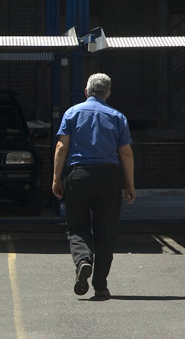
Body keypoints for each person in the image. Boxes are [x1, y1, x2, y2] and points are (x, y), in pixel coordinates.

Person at [52, 73, 136, 298]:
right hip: (109, 176)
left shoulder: (72, 113)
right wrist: (129, 184)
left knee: (77, 225)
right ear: (108, 93)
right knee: (106, 230)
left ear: (86, 91)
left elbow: (62, 147)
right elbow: (125, 152)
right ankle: (100, 284)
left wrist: (56, 178)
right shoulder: (117, 117)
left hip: (78, 175)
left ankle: (83, 261)